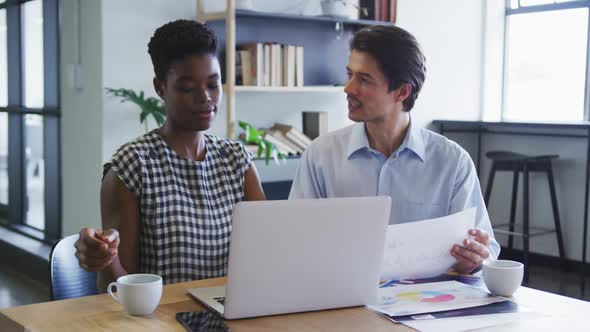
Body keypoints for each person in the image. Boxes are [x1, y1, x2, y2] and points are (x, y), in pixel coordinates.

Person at [289, 25, 500, 274]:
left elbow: (485, 251)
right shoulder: (320, 155)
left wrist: (474, 259)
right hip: (341, 298)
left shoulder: (452, 162)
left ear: (402, 91)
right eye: (350, 75)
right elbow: (296, 241)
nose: (348, 88)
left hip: (426, 303)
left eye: (364, 79)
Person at [74, 20, 265, 291]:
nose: (205, 98)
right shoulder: (132, 166)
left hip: (235, 313)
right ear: (160, 87)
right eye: (187, 88)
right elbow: (117, 288)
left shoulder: (237, 161)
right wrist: (106, 257)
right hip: (163, 321)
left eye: (213, 84)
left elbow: (269, 252)